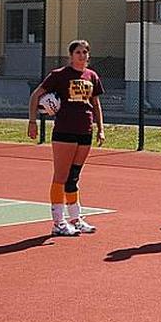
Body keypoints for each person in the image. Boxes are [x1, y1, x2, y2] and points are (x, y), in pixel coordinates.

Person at [27, 40, 105, 236]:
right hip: (65, 131)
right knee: (61, 177)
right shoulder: (59, 75)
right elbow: (36, 95)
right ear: (71, 56)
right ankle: (58, 222)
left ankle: (76, 219)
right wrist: (32, 121)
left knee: (74, 177)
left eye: (85, 52)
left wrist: (100, 128)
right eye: (78, 52)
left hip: (85, 130)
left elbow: (95, 104)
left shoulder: (92, 76)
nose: (82, 55)